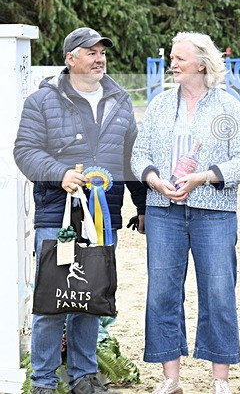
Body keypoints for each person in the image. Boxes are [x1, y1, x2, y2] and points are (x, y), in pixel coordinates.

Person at [14, 27, 146, 394]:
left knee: (91, 298)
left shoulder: (120, 101)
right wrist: (60, 174)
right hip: (58, 216)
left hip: (104, 218)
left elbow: (130, 158)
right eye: (90, 52)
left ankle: (84, 376)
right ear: (70, 58)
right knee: (52, 301)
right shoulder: (41, 101)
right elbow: (24, 152)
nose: (99, 57)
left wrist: (143, 205)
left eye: (103, 51)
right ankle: (42, 380)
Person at [131, 32, 240, 394]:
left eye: (179, 59)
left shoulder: (229, 106)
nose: (172, 64)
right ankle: (171, 378)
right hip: (163, 211)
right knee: (162, 292)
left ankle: (220, 380)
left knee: (218, 291)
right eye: (171, 58)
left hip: (214, 212)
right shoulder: (158, 105)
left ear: (201, 63)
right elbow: (139, 155)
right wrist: (154, 180)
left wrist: (205, 176)